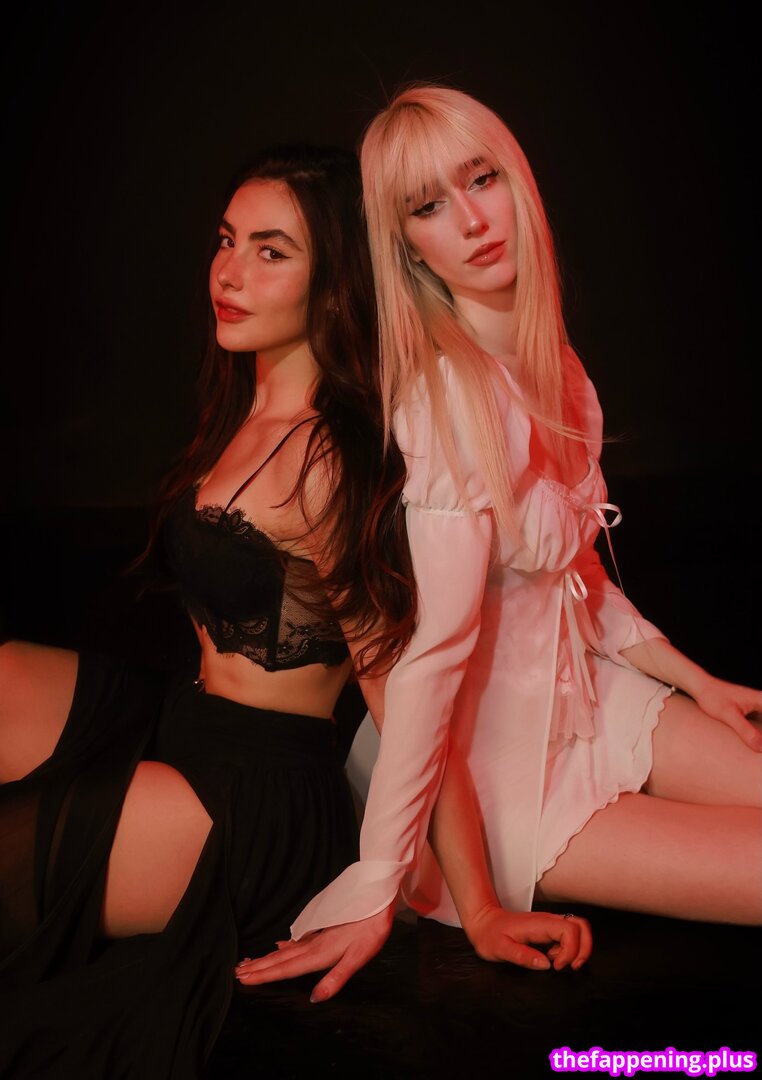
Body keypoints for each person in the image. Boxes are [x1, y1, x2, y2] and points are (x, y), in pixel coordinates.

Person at [235, 84, 762, 1003]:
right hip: (499, 781)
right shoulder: (446, 399)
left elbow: (572, 570)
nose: (473, 222)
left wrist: (695, 679)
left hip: (595, 700)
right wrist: (377, 880)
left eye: (482, 180)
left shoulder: (559, 367)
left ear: (519, 180)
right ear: (407, 245)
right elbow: (429, 660)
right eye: (428, 207)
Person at [0, 144, 417, 1079]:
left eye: (271, 251)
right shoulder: (243, 406)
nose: (229, 272)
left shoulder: (329, 460)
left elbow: (400, 694)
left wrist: (396, 889)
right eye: (226, 240)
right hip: (185, 715)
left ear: (335, 282)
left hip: (257, 798)